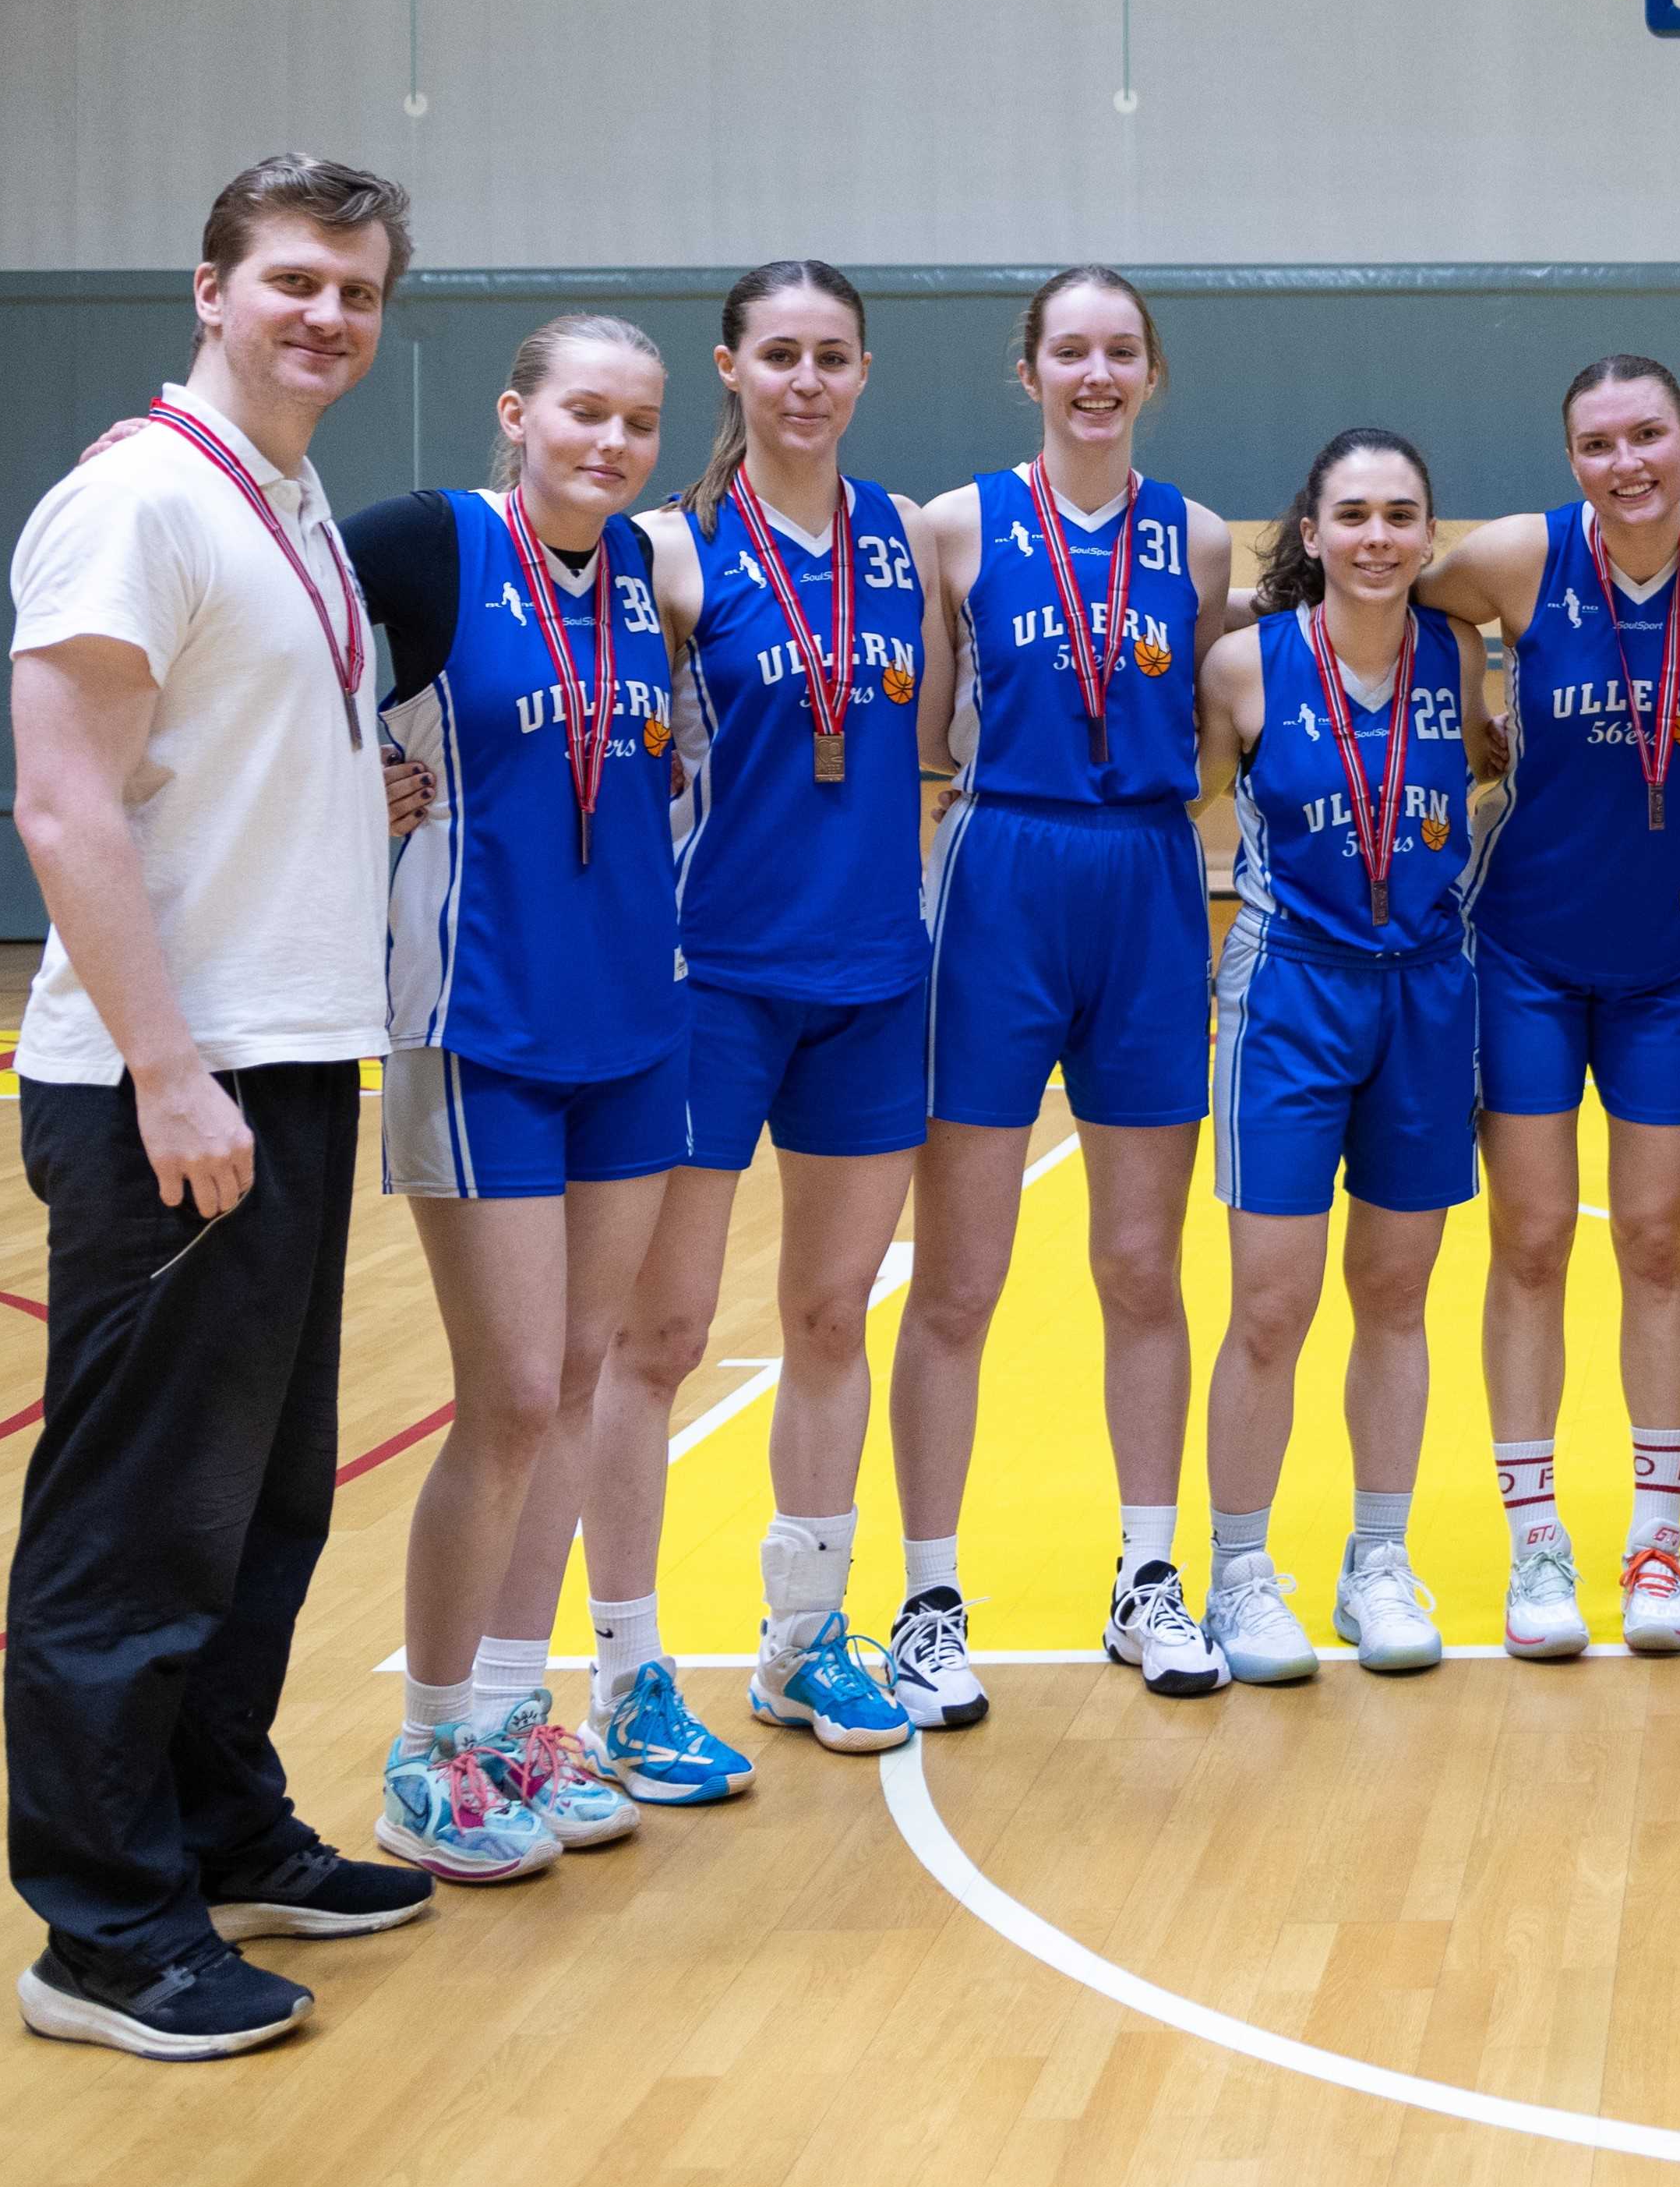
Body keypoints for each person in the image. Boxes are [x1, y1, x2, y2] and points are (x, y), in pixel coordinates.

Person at [3, 154, 438, 2061]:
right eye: (291, 282)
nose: (325, 315)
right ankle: (99, 1933)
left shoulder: (287, 498)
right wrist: (167, 1064)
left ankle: (214, 1828)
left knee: (257, 1505)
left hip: (282, 1053)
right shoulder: (133, 499)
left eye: (355, 289)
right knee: (134, 1525)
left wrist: (362, 802)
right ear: (209, 289)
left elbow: (220, 756)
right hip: (161, 1078)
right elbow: (63, 803)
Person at [337, 315, 690, 1882]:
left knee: (584, 1369)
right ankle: (425, 1743)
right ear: (517, 414)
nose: (608, 441)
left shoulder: (646, 581)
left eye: (636, 420)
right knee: (508, 1395)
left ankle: (505, 1709)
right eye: (581, 412)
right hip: (472, 1030)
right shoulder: (427, 547)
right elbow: (257, 649)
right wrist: (355, 781)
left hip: (630, 1026)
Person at [577, 261, 936, 1797]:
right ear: (729, 369)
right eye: (777, 354)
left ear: (863, 373)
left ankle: (801, 1635)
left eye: (831, 356)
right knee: (656, 1335)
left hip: (872, 977)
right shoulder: (668, 550)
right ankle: (628, 1667)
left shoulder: (909, 541)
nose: (805, 379)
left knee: (828, 1314)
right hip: (709, 979)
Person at [1418, 358, 1680, 1661]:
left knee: (1655, 1240)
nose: (1626, 461)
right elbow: (1386, 592)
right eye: (1598, 441)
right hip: (1524, 951)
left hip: (1666, 959)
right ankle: (1537, 1537)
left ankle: (1656, 1538)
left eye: (1649, 434)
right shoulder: (1519, 558)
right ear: (1569, 455)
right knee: (1530, 1239)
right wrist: (1469, 696)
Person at [900, 267, 1237, 1699]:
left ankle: (1149, 1575)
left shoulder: (1204, 540)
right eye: (1069, 349)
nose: (1095, 372)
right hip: (999, 877)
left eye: (1120, 351)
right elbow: (922, 737)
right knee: (960, 1273)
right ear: (1026, 369)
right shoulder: (957, 526)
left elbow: (1216, 736)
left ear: (1151, 373)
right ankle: (927, 1596)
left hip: (1150, 879)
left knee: (1141, 1261)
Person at [1190, 429, 1481, 1681]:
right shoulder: (1242, 668)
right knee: (1271, 1302)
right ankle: (1241, 1573)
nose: (1375, 536)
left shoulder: (1459, 660)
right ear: (1310, 533)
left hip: (1424, 988)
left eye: (1400, 515)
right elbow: (1191, 808)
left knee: (1397, 1296)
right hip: (1289, 995)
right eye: (1350, 514)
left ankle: (1377, 1562)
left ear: (1427, 535)